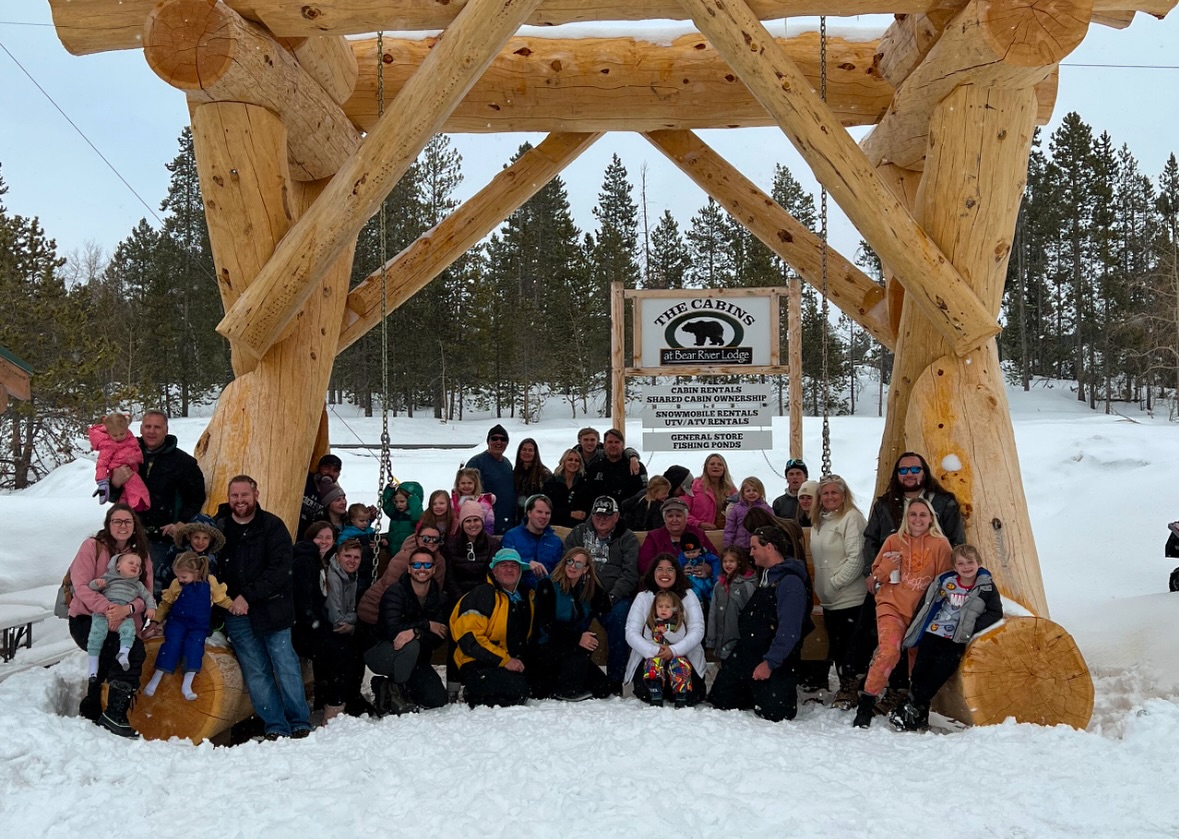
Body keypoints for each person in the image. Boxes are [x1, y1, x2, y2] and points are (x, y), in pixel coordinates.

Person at [215, 475, 311, 739]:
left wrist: (249, 595)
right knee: (256, 670)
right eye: (234, 495)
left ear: (256, 494)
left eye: (244, 495)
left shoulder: (272, 526)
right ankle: (274, 723)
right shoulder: (220, 528)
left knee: (285, 664)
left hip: (273, 608)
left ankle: (298, 719)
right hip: (236, 612)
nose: (240, 501)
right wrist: (227, 600)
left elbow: (280, 570)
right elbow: (212, 568)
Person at [853, 496, 952, 729]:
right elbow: (873, 582)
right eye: (913, 514)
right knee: (888, 652)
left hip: (922, 612)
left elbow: (945, 583)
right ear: (906, 518)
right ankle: (866, 703)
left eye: (922, 515)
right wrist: (886, 568)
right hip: (892, 606)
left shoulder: (941, 545)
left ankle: (914, 707)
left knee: (919, 662)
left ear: (930, 519)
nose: (917, 519)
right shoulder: (893, 541)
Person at [890, 544, 1003, 731]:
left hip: (955, 639)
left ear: (979, 563)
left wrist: (971, 628)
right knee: (920, 673)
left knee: (938, 674)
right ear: (954, 566)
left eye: (970, 562)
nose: (966, 567)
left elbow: (995, 612)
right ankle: (917, 717)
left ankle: (909, 708)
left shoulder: (985, 587)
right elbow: (927, 605)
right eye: (961, 563)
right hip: (933, 632)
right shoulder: (945, 582)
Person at [708, 524, 810, 722]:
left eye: (754, 548)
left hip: (772, 658)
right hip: (748, 652)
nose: (751, 552)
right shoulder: (764, 576)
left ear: (769, 547)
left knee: (775, 713)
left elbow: (789, 631)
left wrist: (770, 663)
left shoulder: (790, 583)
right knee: (721, 699)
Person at [67, 504, 154, 737]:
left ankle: (96, 711)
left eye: (128, 521)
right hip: (86, 618)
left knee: (123, 653)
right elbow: (81, 587)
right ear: (108, 524)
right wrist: (110, 609)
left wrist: (126, 609)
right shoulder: (92, 547)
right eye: (117, 521)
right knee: (117, 650)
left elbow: (145, 595)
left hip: (124, 619)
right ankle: (112, 715)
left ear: (134, 525)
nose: (123, 526)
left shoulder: (141, 556)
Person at [108, 411, 205, 599]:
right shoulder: (124, 454)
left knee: (152, 588)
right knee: (114, 583)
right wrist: (115, 483)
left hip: (161, 536)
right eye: (147, 426)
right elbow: (109, 496)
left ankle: (153, 624)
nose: (151, 431)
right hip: (126, 532)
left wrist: (182, 522)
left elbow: (196, 497)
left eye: (157, 427)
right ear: (141, 428)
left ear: (166, 430)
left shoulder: (183, 463)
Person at [562, 495, 641, 693]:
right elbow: (567, 564)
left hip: (614, 596)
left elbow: (630, 574)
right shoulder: (579, 533)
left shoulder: (627, 537)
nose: (602, 519)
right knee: (569, 624)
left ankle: (615, 681)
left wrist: (611, 597)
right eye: (598, 515)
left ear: (616, 516)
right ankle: (572, 677)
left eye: (607, 515)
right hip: (582, 593)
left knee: (620, 620)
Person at [366, 547, 450, 715]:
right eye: (417, 564)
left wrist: (416, 632)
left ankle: (385, 686)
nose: (422, 569)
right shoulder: (395, 592)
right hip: (381, 651)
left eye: (427, 565)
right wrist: (425, 625)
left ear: (433, 569)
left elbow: (438, 637)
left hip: (417, 660)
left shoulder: (439, 597)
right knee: (410, 644)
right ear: (409, 568)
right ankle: (396, 691)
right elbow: (392, 630)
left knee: (437, 699)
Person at [809, 474, 868, 706]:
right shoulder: (819, 522)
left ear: (844, 495)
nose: (830, 497)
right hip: (829, 599)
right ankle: (846, 685)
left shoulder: (851, 518)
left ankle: (852, 688)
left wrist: (834, 583)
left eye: (835, 492)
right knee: (838, 647)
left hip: (850, 596)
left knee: (851, 647)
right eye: (825, 493)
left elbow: (856, 558)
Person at [450, 548, 535, 708]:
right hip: (477, 662)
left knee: (539, 685)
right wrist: (505, 660)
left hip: (508, 660)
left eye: (514, 566)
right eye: (504, 565)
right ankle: (473, 693)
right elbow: (470, 640)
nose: (509, 569)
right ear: (494, 571)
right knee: (517, 690)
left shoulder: (526, 597)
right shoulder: (481, 595)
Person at [144, 552, 233, 701]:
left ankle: (187, 684)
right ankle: (155, 678)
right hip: (177, 622)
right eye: (178, 577)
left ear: (196, 572)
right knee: (172, 644)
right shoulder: (176, 584)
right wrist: (155, 622)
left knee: (195, 646)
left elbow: (221, 599)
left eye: (183, 577)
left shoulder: (210, 581)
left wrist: (233, 606)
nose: (180, 580)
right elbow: (165, 603)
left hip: (199, 626)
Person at [530, 547, 613, 701]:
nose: (573, 566)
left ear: (586, 569)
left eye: (579, 564)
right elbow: (547, 625)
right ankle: (563, 688)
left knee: (603, 688)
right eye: (570, 561)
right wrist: (577, 638)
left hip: (573, 648)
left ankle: (567, 680)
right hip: (548, 646)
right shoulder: (547, 585)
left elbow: (606, 606)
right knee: (580, 650)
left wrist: (592, 580)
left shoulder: (585, 589)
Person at [624, 554, 707, 705]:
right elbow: (631, 632)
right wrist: (655, 652)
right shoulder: (643, 597)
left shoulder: (688, 596)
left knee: (690, 695)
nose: (665, 574)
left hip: (683, 655)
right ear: (653, 573)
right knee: (646, 693)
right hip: (651, 655)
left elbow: (697, 629)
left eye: (670, 569)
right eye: (660, 569)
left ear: (677, 573)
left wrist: (674, 651)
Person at [442, 501, 503, 699]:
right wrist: (462, 600)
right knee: (457, 638)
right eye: (468, 521)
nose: (473, 525)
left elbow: (491, 573)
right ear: (462, 523)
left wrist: (478, 599)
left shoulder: (492, 544)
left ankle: (476, 680)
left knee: (481, 639)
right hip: (458, 597)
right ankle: (453, 685)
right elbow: (449, 576)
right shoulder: (451, 544)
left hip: (482, 598)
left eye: (476, 520)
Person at [315, 538, 366, 721]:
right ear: (338, 556)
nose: (352, 561)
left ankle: (352, 697)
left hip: (339, 627)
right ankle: (334, 704)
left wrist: (353, 622)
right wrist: (355, 618)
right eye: (347, 556)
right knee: (343, 653)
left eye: (356, 557)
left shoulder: (351, 577)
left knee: (360, 645)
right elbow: (336, 618)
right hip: (323, 629)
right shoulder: (334, 577)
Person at [359, 524, 448, 625]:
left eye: (435, 539)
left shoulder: (440, 562)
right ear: (417, 539)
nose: (431, 542)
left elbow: (434, 593)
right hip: (376, 609)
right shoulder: (403, 558)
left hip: (409, 613)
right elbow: (391, 594)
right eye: (426, 538)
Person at [86, 553, 156, 676]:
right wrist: (97, 584)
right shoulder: (109, 578)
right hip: (104, 612)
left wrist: (151, 607)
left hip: (124, 615)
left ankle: (124, 652)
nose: (135, 566)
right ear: (118, 566)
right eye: (130, 563)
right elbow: (92, 588)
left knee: (129, 630)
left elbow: (148, 596)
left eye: (138, 565)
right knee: (97, 632)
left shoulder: (138, 584)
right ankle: (93, 664)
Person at [635, 590, 695, 707]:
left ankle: (680, 693)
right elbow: (647, 639)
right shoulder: (651, 623)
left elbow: (679, 639)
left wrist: (667, 633)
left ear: (674, 609)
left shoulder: (678, 623)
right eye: (660, 606)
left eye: (667, 607)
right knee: (651, 664)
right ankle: (655, 691)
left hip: (674, 654)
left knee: (680, 665)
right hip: (657, 654)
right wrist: (655, 649)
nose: (663, 609)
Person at [638, 497, 717, 575]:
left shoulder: (698, 534)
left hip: (695, 583)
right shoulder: (654, 537)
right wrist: (675, 571)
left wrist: (708, 568)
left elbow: (715, 557)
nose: (674, 520)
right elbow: (644, 565)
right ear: (664, 519)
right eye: (670, 516)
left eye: (678, 516)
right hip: (662, 583)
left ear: (686, 518)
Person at [502, 494, 564, 588]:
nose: (544, 516)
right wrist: (526, 564)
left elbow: (560, 571)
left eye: (547, 513)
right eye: (539, 512)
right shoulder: (511, 536)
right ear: (529, 513)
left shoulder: (556, 542)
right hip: (517, 591)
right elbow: (503, 563)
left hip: (546, 592)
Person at [88, 412, 148, 509]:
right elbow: (101, 464)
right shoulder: (108, 445)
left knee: (131, 489)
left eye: (122, 433)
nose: (119, 437)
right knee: (134, 487)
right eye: (115, 435)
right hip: (119, 469)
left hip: (132, 468)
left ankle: (134, 506)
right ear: (108, 433)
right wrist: (102, 482)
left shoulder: (130, 438)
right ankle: (136, 505)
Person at [706, 546, 756, 661]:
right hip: (722, 643)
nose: (728, 564)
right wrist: (711, 640)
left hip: (741, 642)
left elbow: (752, 614)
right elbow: (713, 614)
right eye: (725, 561)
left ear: (739, 562)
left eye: (731, 561)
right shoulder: (719, 586)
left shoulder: (747, 585)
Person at [464, 424, 516, 534]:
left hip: (507, 523)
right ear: (488, 441)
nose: (499, 442)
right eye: (494, 438)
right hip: (485, 525)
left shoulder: (507, 464)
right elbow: (465, 494)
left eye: (503, 439)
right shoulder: (476, 463)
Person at [582, 428, 647, 507]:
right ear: (604, 445)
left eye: (617, 442)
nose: (613, 445)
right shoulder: (595, 467)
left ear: (622, 445)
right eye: (610, 442)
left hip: (629, 514)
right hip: (602, 515)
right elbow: (588, 495)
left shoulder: (635, 466)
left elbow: (644, 493)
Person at [686, 453, 736, 531]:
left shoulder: (731, 490)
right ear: (706, 467)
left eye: (720, 464)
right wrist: (698, 524)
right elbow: (682, 511)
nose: (716, 466)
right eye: (712, 464)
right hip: (698, 533)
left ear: (724, 469)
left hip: (725, 534)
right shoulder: (694, 486)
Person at [723, 476, 774, 550]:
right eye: (748, 491)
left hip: (760, 547)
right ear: (742, 493)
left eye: (755, 490)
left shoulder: (766, 509)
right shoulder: (736, 509)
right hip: (740, 546)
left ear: (761, 492)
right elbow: (730, 529)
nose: (751, 493)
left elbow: (772, 527)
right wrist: (728, 547)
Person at [299, 454, 342, 539]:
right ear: (318, 468)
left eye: (335, 470)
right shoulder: (304, 480)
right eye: (327, 468)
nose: (330, 473)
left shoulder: (335, 494)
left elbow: (340, 516)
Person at [543, 448, 589, 528]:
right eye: (570, 460)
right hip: (555, 527)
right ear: (563, 462)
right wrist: (570, 513)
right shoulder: (551, 483)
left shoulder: (585, 483)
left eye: (576, 460)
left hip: (578, 529)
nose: (573, 462)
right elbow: (546, 508)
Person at [676, 532, 719, 613]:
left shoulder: (705, 555)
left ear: (699, 549)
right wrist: (681, 573)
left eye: (694, 552)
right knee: (694, 594)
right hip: (691, 583)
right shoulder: (681, 559)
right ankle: (698, 607)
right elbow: (676, 568)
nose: (691, 555)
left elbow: (716, 561)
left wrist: (715, 579)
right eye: (687, 553)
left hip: (706, 582)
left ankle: (712, 608)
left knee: (712, 594)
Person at [513, 438, 552, 521]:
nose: (527, 453)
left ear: (535, 453)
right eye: (524, 449)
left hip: (537, 519)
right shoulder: (515, 473)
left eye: (530, 450)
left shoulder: (544, 474)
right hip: (517, 519)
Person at [380, 481, 423, 557]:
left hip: (410, 551)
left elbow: (417, 518)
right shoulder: (394, 513)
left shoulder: (414, 514)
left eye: (402, 501)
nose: (398, 504)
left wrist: (414, 500)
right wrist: (389, 491)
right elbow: (386, 505)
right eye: (396, 502)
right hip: (393, 549)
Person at [451, 467, 496, 535]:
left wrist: (485, 538)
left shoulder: (483, 503)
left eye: (470, 483)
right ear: (458, 485)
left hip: (479, 537)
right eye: (463, 483)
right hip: (458, 539)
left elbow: (489, 522)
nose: (466, 486)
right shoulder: (452, 503)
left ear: (475, 484)